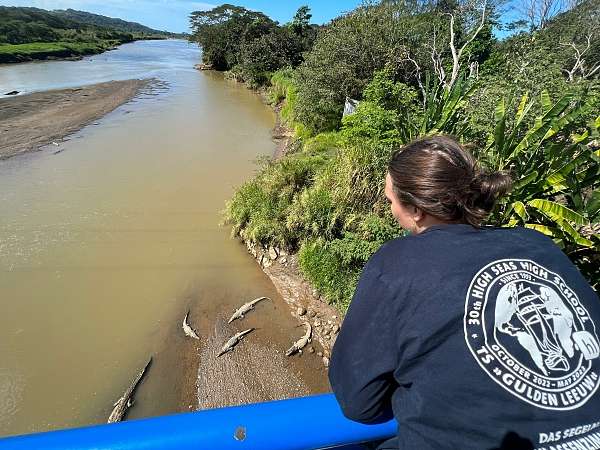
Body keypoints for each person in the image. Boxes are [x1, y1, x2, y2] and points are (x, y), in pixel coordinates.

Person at [329, 135, 600, 450]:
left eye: (391, 200)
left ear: (415, 209)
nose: (390, 208)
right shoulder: (538, 244)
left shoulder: (396, 263)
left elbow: (358, 402)